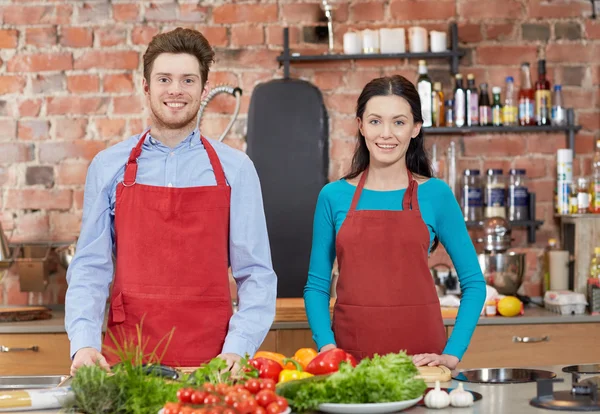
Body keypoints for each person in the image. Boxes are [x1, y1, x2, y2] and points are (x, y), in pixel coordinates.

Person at [65, 28, 277, 376]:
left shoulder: (236, 169)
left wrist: (238, 350)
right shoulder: (109, 166)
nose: (176, 90)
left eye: (188, 80)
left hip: (212, 362)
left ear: (204, 90)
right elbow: (90, 268)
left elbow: (256, 275)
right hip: (126, 363)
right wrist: (84, 343)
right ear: (146, 88)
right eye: (164, 79)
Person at [304, 75, 486, 369]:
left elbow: (474, 283)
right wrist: (328, 348)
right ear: (361, 125)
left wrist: (451, 355)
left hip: (423, 362)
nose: (386, 133)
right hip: (352, 362)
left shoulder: (436, 195)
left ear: (415, 128)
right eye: (375, 121)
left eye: (399, 122)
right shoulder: (333, 197)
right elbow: (316, 286)